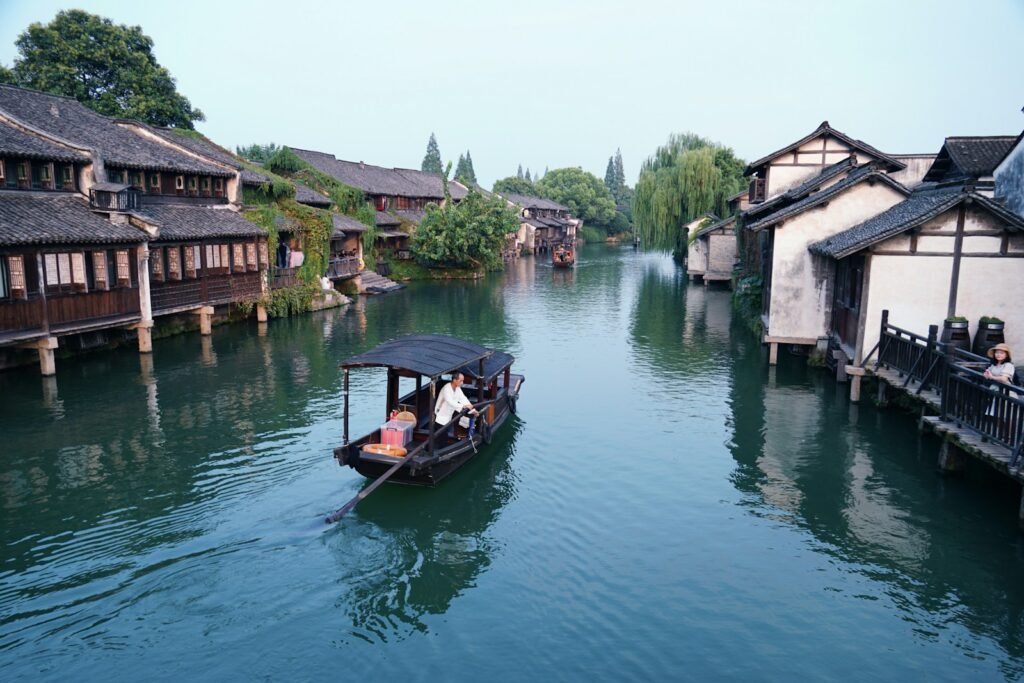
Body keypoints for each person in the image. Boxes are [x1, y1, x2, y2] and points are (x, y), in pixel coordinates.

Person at [434, 372, 478, 441]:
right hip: (440, 415)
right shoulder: (446, 388)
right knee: (441, 437)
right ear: (454, 380)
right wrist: (463, 406)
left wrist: (473, 410)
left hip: (448, 415)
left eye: (463, 381)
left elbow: (463, 398)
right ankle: (430, 449)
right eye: (461, 381)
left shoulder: (457, 388)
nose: (462, 383)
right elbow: (450, 401)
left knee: (439, 435)